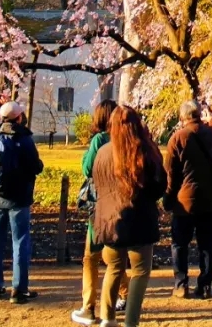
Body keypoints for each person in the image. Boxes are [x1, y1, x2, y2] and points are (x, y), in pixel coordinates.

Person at [93, 105, 166, 327]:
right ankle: (130, 321)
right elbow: (159, 186)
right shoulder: (145, 151)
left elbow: (97, 182)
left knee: (113, 268)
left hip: (110, 220)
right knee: (140, 272)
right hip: (140, 220)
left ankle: (107, 317)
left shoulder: (103, 152)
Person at [0, 101, 44, 304]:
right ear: (19, 117)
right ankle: (19, 289)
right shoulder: (24, 139)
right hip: (18, 197)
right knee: (20, 242)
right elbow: (35, 166)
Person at [73, 100, 126, 326]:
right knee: (115, 255)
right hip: (119, 203)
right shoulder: (124, 139)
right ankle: (126, 295)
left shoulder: (99, 140)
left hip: (99, 205)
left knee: (91, 256)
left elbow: (87, 169)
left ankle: (88, 307)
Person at [165, 100, 212, 299]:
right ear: (199, 114)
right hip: (210, 200)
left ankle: (181, 284)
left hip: (184, 202)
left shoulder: (178, 137)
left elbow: (171, 173)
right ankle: (205, 285)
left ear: (182, 117)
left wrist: (169, 198)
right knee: (207, 244)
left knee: (180, 244)